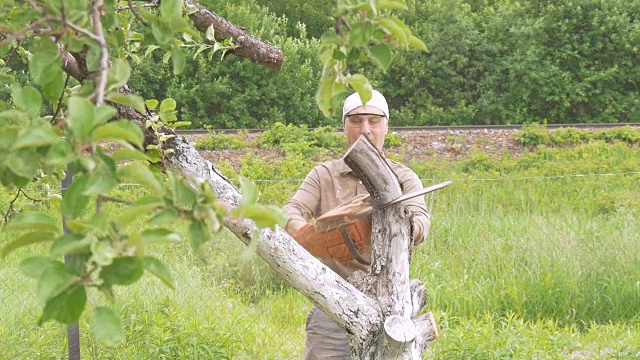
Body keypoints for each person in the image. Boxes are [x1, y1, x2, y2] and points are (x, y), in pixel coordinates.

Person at [283, 89, 431, 359]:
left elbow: (421, 222)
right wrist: (307, 235)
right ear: (344, 126)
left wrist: (396, 226)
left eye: (374, 120)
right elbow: (292, 211)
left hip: (390, 306)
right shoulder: (324, 175)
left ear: (386, 126)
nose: (365, 129)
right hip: (332, 303)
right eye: (356, 120)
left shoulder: (404, 178)